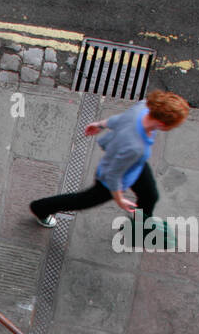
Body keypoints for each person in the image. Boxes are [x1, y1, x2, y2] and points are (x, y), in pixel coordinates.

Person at [30, 89, 190, 229]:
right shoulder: (136, 147)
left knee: (150, 196)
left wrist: (100, 124)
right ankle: (40, 208)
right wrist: (119, 199)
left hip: (134, 166)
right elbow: (114, 175)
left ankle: (139, 227)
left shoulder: (143, 107)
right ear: (162, 124)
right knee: (83, 201)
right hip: (112, 178)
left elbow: (120, 119)